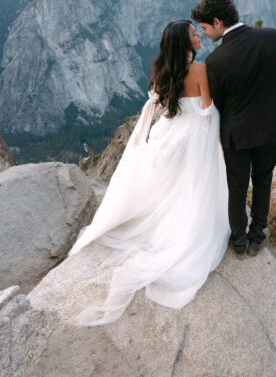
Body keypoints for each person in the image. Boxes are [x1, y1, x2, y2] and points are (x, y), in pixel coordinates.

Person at [67, 19, 230, 326]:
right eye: (195, 34)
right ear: (185, 42)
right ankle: (185, 225)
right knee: (193, 185)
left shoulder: (161, 71)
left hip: (169, 133)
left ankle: (158, 223)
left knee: (170, 186)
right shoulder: (200, 71)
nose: (199, 36)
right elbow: (208, 109)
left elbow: (156, 104)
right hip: (194, 135)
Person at [191, 0, 276, 259]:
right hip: (271, 127)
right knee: (263, 182)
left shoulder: (216, 61)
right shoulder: (272, 37)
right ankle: (257, 235)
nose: (204, 33)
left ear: (217, 21)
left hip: (236, 135)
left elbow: (220, 105)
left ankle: (238, 241)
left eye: (205, 28)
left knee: (236, 187)